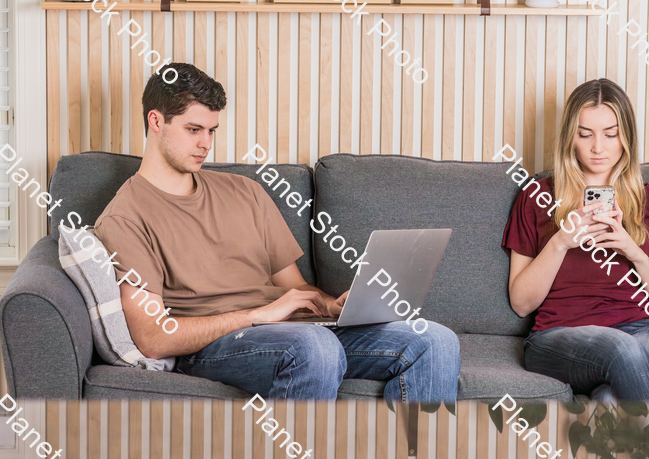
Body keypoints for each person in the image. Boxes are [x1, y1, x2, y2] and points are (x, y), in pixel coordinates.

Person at [95, 63, 460, 402]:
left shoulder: (245, 191)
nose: (206, 143)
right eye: (193, 130)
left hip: (297, 332)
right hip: (219, 344)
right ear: (155, 121)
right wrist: (258, 316)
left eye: (211, 131)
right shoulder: (126, 217)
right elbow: (154, 338)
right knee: (316, 348)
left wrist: (328, 305)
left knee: (435, 340)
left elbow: (295, 287)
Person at [502, 78, 649, 403]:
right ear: (570, 138)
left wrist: (632, 251)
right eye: (585, 134)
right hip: (559, 337)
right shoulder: (536, 198)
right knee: (621, 349)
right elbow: (521, 304)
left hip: (643, 331)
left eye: (610, 133)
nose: (598, 147)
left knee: (609, 399)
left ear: (627, 137)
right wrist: (561, 242)